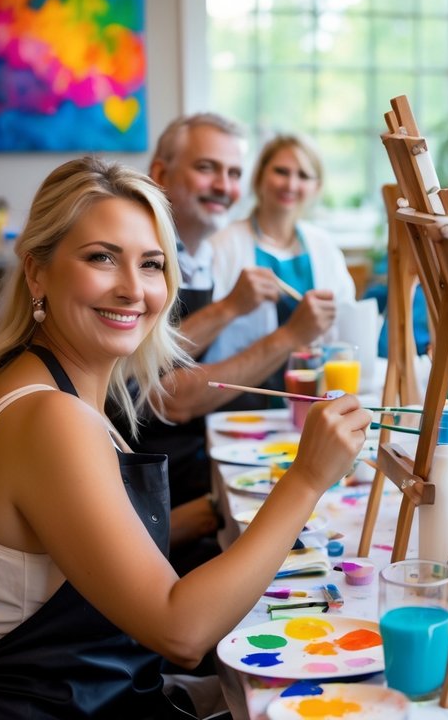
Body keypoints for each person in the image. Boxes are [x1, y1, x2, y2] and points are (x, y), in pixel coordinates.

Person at [0, 157, 370, 717]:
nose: (133, 289)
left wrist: (213, 511)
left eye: (151, 265)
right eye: (101, 258)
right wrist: (306, 479)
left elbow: (90, 549)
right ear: (36, 273)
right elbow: (180, 630)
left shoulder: (45, 385)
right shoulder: (50, 417)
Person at [139, 114, 337, 574]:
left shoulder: (201, 255)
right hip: (160, 481)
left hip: (204, 457)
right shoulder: (147, 258)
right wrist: (285, 334)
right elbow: (166, 392)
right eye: (206, 168)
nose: (223, 186)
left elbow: (161, 351)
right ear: (162, 174)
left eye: (232, 173)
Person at [203, 132, 355, 374]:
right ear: (259, 176)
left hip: (314, 386)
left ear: (316, 187)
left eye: (303, 175)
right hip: (239, 387)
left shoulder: (324, 246)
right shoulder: (223, 243)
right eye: (281, 172)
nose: (291, 185)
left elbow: (345, 320)